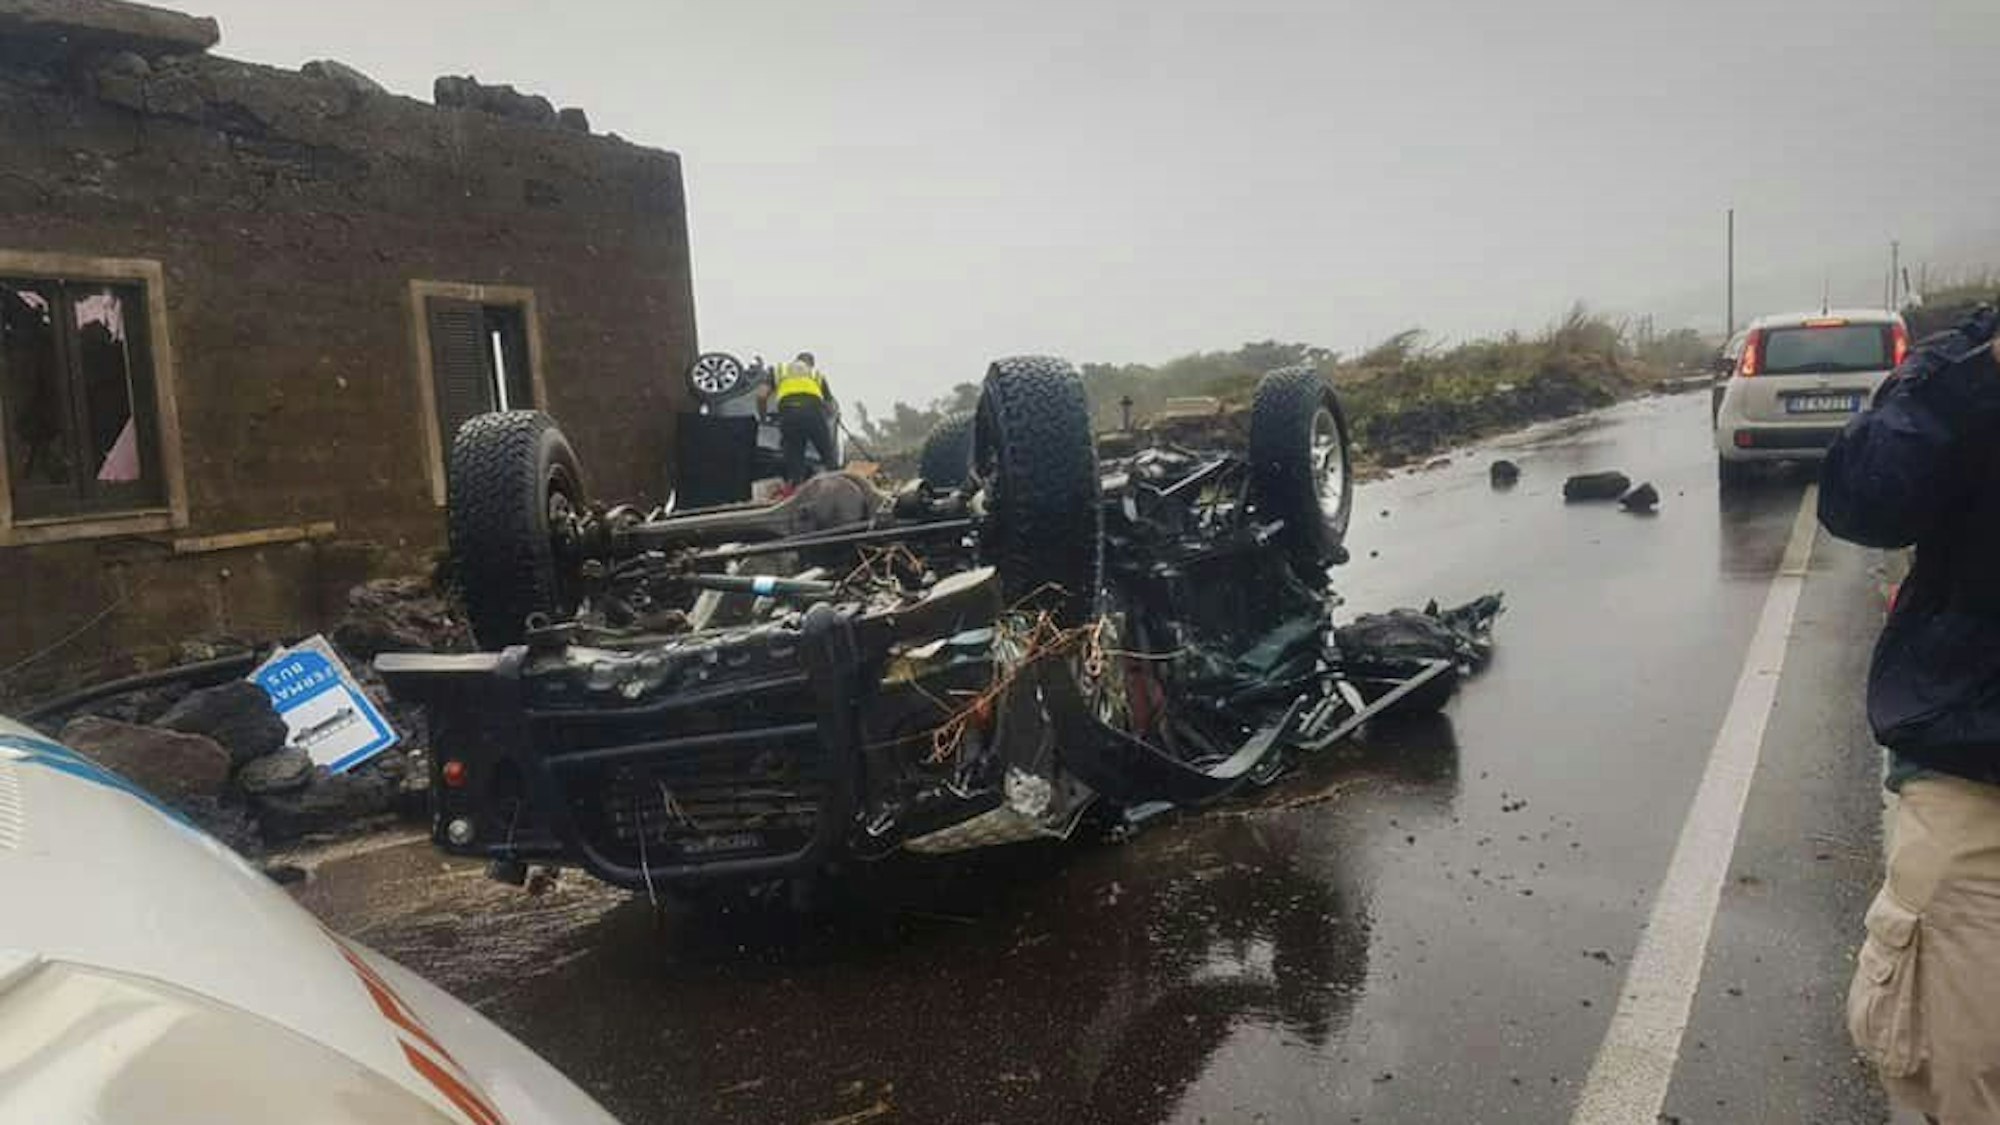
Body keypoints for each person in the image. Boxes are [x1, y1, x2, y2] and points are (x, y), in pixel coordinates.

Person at [1819, 305, 2000, 1124]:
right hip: (1978, 782)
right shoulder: (1970, 364)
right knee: (1958, 1077)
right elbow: (1863, 502)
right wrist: (1976, 378)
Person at [762, 350, 837, 486]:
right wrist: (829, 417)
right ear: (811, 364)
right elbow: (830, 406)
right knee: (828, 456)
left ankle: (797, 489)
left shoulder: (779, 370)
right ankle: (839, 487)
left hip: (789, 414)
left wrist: (763, 416)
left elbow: (761, 395)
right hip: (814, 413)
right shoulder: (816, 374)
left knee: (795, 458)